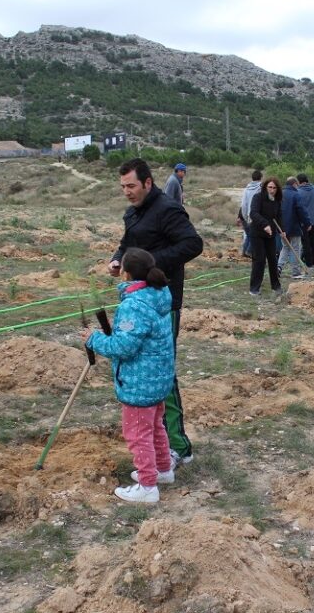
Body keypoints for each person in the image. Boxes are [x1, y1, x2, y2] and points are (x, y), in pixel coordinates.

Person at [109, 158, 203, 468]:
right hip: (138, 302)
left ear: (148, 183)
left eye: (132, 186)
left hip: (163, 303)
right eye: (123, 186)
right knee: (143, 371)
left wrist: (148, 265)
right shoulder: (133, 212)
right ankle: (156, 445)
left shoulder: (167, 209)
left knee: (161, 372)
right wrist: (118, 259)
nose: (127, 192)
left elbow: (193, 244)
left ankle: (178, 447)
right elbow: (127, 244)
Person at [85, 248, 175, 504]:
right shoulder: (157, 293)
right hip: (157, 379)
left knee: (138, 434)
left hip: (139, 382)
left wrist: (94, 339)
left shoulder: (133, 306)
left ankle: (147, 486)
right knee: (155, 426)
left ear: (125, 272)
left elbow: (122, 348)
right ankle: (163, 470)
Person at [247, 177, 284, 296]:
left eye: (274, 188)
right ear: (265, 187)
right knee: (260, 260)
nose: (272, 190)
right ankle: (254, 288)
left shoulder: (276, 201)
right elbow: (253, 213)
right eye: (270, 187)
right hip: (257, 233)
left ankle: (276, 286)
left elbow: (278, 216)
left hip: (270, 234)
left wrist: (282, 230)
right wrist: (265, 225)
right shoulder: (257, 197)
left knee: (273, 260)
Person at [279, 176, 310, 279]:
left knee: (285, 247)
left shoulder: (280, 194)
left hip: (282, 227)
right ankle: (295, 271)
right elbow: (301, 211)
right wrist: (307, 223)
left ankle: (279, 267)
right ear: (294, 184)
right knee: (295, 249)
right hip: (294, 226)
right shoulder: (296, 195)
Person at [297, 174, 314, 267]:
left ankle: (308, 263)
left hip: (303, 222)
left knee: (305, 243)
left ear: (299, 182)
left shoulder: (298, 192)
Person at [240, 170, 263, 258]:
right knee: (255, 235)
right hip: (257, 215)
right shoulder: (261, 188)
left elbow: (243, 204)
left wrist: (245, 216)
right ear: (261, 178)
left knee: (250, 234)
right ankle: (249, 251)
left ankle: (244, 252)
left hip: (248, 215)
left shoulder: (246, 189)